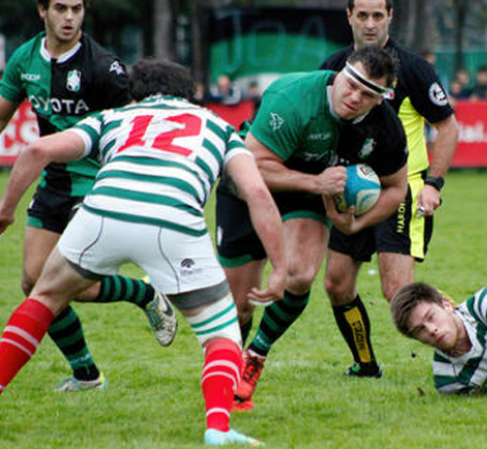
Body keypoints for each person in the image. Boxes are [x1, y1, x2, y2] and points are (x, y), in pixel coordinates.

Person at [0, 58, 286, 447]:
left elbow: (37, 150)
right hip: (174, 224)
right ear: (190, 94)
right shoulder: (219, 127)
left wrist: (6, 210)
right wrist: (281, 267)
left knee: (44, 297)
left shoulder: (114, 118)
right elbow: (256, 193)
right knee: (222, 335)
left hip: (104, 213)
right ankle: (218, 429)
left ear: (136, 93)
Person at [0, 0, 175, 392]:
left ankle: (146, 296)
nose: (70, 18)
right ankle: (88, 375)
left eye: (77, 9)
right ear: (42, 10)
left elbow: (135, 129)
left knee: (67, 285)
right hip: (54, 183)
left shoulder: (105, 68)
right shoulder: (25, 60)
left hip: (98, 184)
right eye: (60, 8)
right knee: (33, 283)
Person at [215, 46, 408, 410]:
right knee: (240, 305)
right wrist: (316, 184)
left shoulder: (384, 128)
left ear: (381, 99)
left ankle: (253, 358)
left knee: (300, 275)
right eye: (351, 85)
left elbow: (397, 187)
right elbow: (254, 165)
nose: (354, 97)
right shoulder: (294, 98)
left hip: (308, 190)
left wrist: (355, 224)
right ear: (341, 74)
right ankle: (225, 369)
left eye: (368, 94)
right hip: (246, 183)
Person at [311, 0, 459, 381]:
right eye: (363, 15)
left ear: (390, 17)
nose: (371, 24)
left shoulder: (411, 68)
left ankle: (473, 332)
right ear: (349, 17)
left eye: (378, 15)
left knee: (399, 293)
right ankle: (365, 364)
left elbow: (447, 127)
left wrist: (434, 184)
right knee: (337, 285)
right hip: (349, 192)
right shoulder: (333, 67)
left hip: (401, 191)